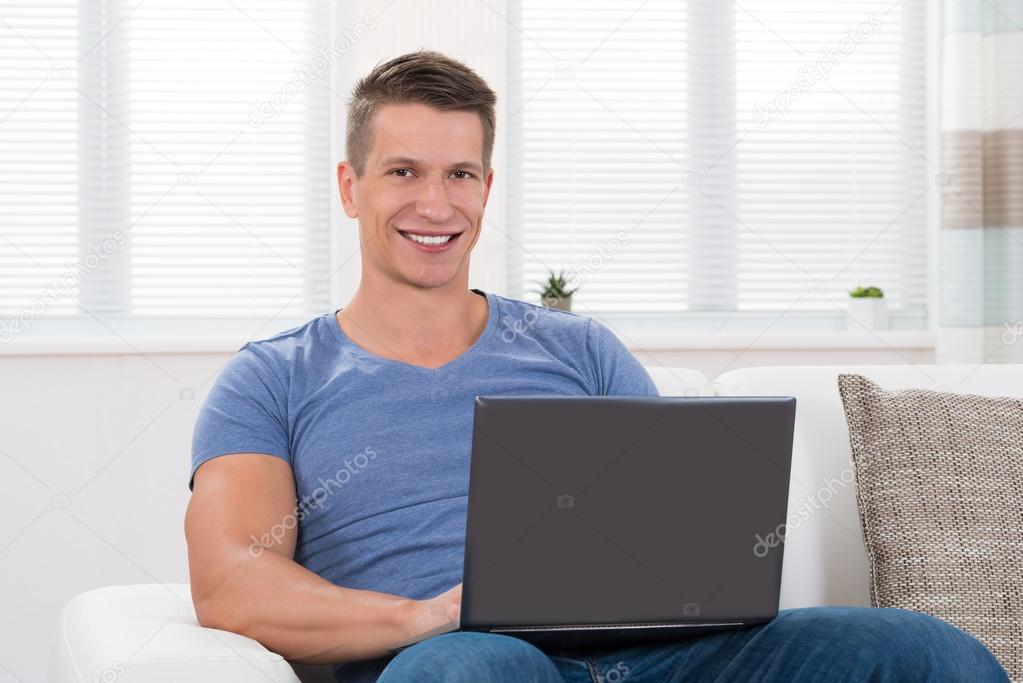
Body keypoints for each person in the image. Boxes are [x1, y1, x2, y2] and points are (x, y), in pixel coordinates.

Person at [185, 49, 1009, 682]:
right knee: (469, 667)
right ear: (349, 185)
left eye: (459, 174)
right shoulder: (274, 378)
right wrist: (424, 617)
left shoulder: (577, 349)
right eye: (403, 171)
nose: (434, 205)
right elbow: (231, 581)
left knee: (919, 648)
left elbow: (684, 546)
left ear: (486, 185)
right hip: (460, 658)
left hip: (661, 659)